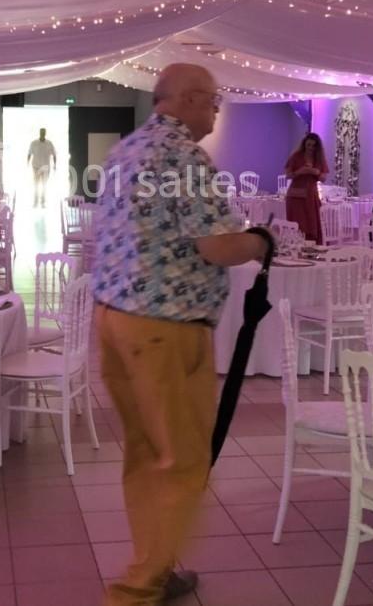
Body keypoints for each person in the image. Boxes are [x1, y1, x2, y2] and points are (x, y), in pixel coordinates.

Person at [93, 63, 273, 606]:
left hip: (115, 320)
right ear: (191, 99)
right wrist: (262, 240)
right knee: (182, 461)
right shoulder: (185, 158)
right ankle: (136, 590)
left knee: (148, 454)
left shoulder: (125, 152)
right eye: (213, 101)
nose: (216, 110)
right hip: (165, 329)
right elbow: (216, 247)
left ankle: (157, 562)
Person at [283, 133, 326, 243]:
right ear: (304, 144)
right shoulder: (296, 156)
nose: (311, 148)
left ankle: (312, 248)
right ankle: (296, 247)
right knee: (299, 223)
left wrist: (316, 172)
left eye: (313, 145)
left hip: (311, 195)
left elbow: (323, 178)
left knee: (312, 222)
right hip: (296, 196)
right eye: (309, 145)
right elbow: (288, 175)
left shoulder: (319, 158)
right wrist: (300, 172)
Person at [27, 128, 58, 208]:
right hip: (36, 167)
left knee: (44, 185)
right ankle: (35, 201)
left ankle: (43, 202)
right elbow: (29, 153)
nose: (43, 133)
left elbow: (54, 154)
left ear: (45, 133)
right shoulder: (34, 143)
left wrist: (55, 165)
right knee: (36, 185)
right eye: (41, 132)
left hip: (46, 168)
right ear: (39, 133)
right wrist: (27, 163)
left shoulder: (49, 143)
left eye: (44, 132)